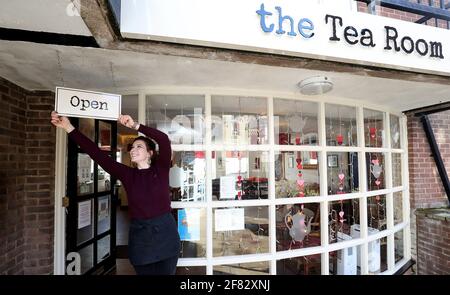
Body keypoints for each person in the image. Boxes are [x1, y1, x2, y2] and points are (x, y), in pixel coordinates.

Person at [50, 111, 181, 275]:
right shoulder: (127, 174)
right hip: (141, 239)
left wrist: (135, 126)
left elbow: (163, 139)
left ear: (150, 153)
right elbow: (96, 154)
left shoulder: (161, 170)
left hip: (166, 236)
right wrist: (68, 127)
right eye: (132, 147)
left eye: (139, 146)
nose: (133, 150)